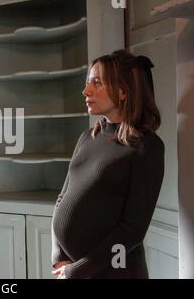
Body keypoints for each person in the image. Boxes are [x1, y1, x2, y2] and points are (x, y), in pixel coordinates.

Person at [50, 50, 165, 279]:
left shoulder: (147, 147)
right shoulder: (88, 136)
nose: (86, 91)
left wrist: (78, 270)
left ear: (123, 91)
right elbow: (62, 199)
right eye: (87, 82)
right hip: (75, 270)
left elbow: (132, 232)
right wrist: (58, 255)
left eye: (97, 83)